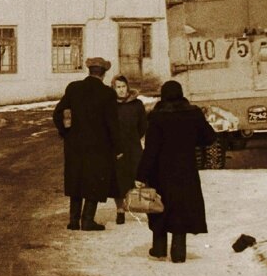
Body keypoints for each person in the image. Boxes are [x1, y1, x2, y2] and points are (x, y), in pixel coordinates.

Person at [137, 79, 217, 263]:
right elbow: (209, 137)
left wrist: (141, 175)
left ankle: (158, 249)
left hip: (160, 172)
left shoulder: (157, 117)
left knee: (159, 207)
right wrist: (191, 140)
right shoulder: (193, 114)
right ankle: (178, 253)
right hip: (186, 170)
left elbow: (151, 150)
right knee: (181, 209)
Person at [53, 56, 121, 231]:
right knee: (94, 180)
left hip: (74, 145)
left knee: (76, 178)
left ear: (89, 71)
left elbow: (58, 113)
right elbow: (113, 124)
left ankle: (73, 221)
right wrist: (117, 146)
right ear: (103, 74)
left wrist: (65, 133)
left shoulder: (74, 88)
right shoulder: (108, 94)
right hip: (99, 147)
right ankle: (88, 220)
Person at [111, 75, 148, 225]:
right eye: (118, 87)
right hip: (117, 147)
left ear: (127, 87)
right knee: (118, 179)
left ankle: (144, 206)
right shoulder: (111, 105)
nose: (121, 90)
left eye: (123, 86)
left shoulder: (137, 104)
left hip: (133, 146)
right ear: (114, 89)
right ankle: (120, 210)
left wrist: (134, 137)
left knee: (139, 175)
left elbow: (143, 125)